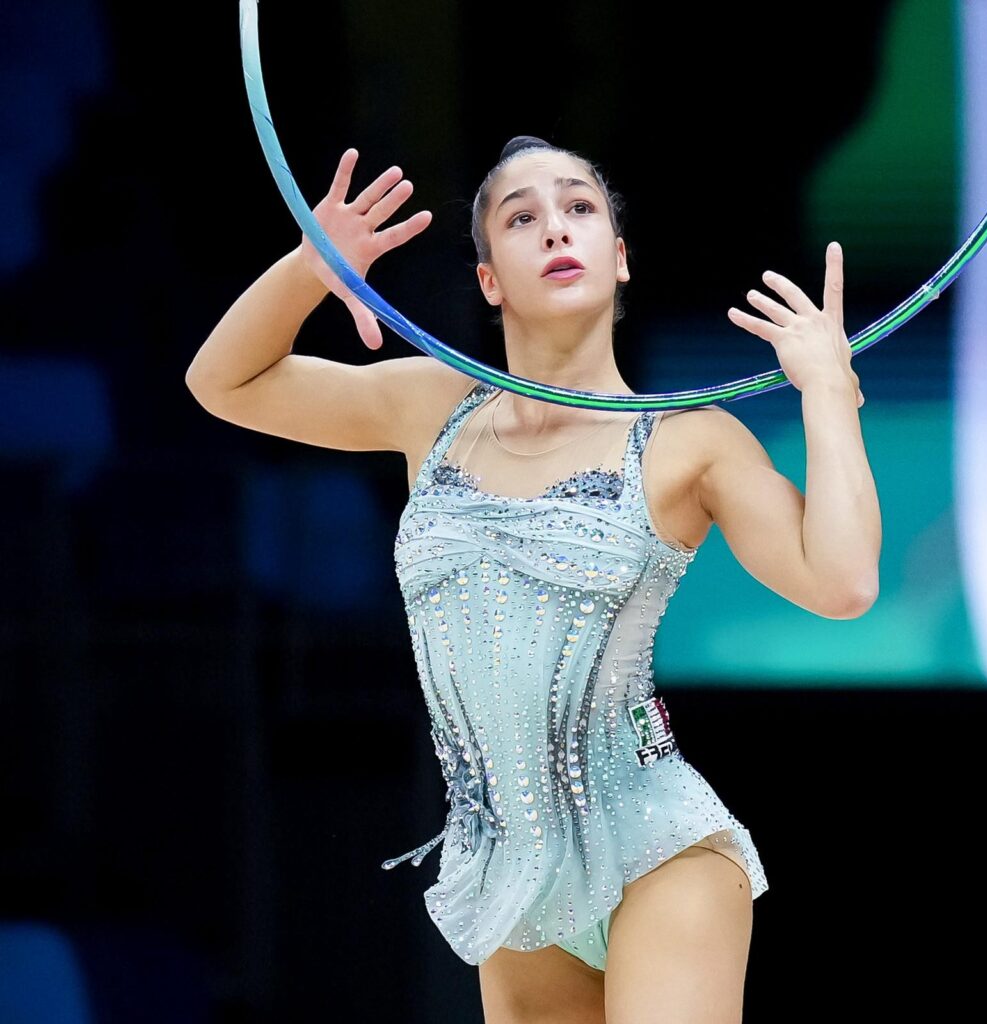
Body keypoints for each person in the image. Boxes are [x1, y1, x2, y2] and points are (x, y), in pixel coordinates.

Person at [185, 136, 881, 1023]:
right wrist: (311, 268)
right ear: (489, 281)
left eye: (580, 208)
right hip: (511, 871)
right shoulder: (428, 406)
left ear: (620, 260)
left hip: (657, 851)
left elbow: (844, 581)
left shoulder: (686, 440)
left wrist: (826, 389)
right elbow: (224, 383)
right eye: (522, 217)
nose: (556, 227)